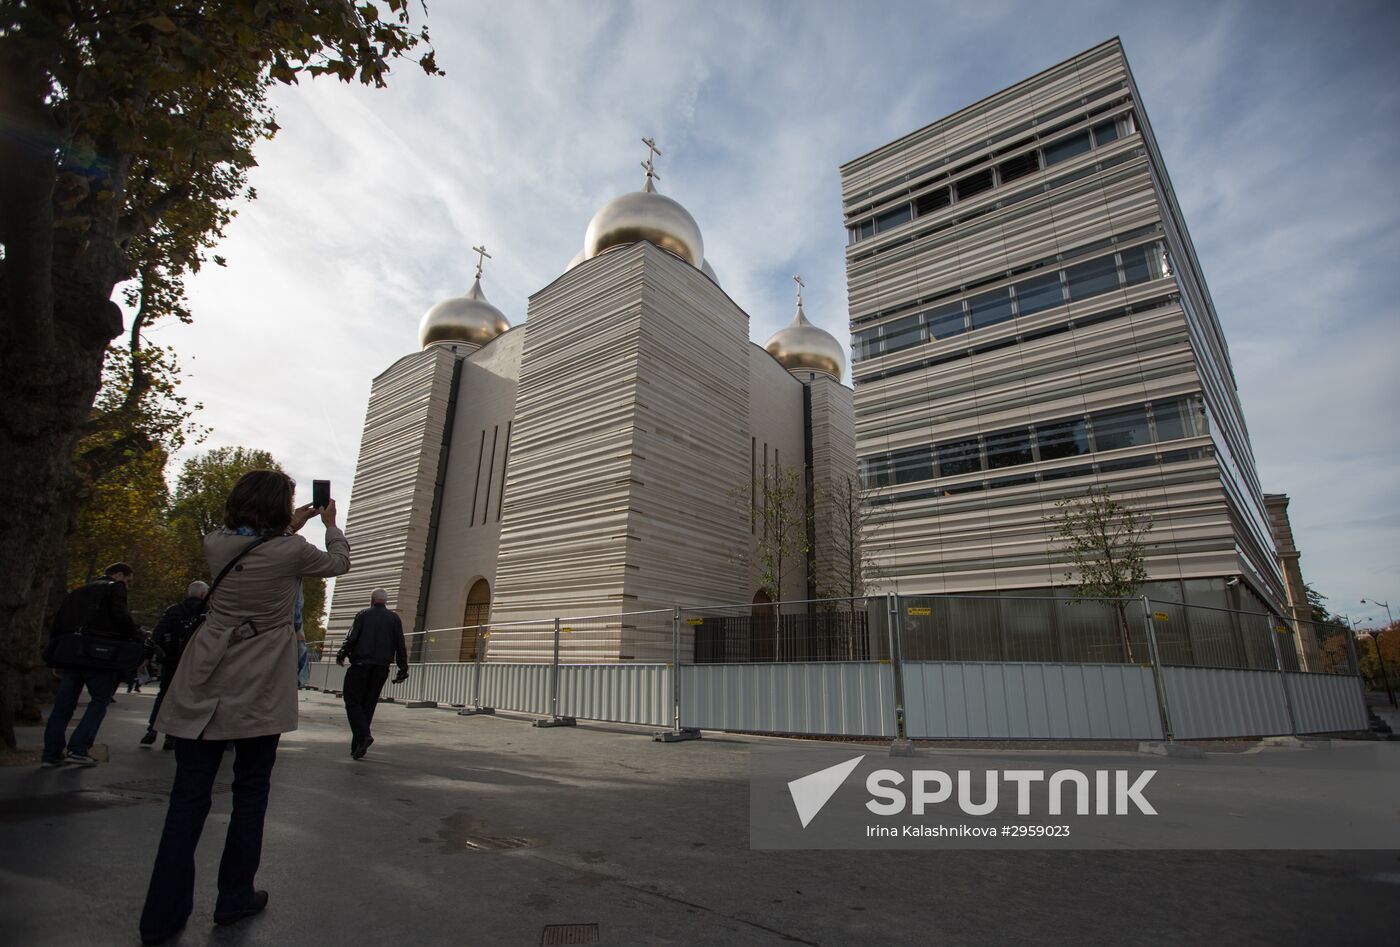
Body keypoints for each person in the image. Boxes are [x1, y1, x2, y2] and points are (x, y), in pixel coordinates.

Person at [138, 471, 350, 945]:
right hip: (257, 680)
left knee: (186, 802)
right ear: (281, 507)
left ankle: (160, 917)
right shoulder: (292, 552)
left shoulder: (215, 543)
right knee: (250, 793)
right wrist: (328, 524)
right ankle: (234, 896)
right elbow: (338, 564)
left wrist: (288, 525)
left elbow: (252, 547)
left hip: (205, 675)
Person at [42, 562, 142, 767]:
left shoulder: (79, 591)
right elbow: (121, 617)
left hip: (72, 653)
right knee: (99, 701)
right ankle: (78, 748)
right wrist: (136, 635)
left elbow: (59, 621)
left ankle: (51, 753)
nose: (128, 585)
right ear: (120, 575)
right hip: (98, 656)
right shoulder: (115, 588)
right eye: (128, 581)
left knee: (63, 705)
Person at [336, 588, 408, 760]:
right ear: (385, 601)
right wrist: (403, 668)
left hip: (361, 664)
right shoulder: (394, 618)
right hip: (381, 667)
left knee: (352, 700)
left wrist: (341, 654)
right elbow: (400, 644)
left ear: (372, 600)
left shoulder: (363, 615)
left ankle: (364, 736)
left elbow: (352, 637)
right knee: (368, 704)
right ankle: (358, 746)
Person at [141, 581, 209, 750]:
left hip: (171, 658)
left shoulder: (174, 610)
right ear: (203, 595)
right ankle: (172, 734)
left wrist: (147, 656)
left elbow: (157, 633)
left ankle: (153, 728)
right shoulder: (207, 612)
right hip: (194, 660)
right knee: (185, 697)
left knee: (163, 694)